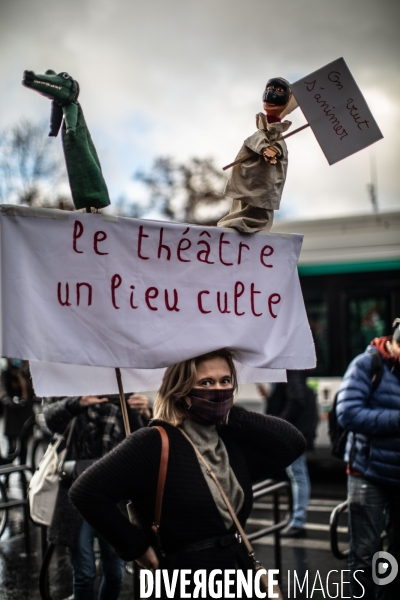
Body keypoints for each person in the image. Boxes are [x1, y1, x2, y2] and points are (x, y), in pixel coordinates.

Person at [69, 348, 306, 599]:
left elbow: (292, 443)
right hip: (180, 583)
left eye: (225, 381)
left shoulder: (228, 440)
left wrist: (231, 412)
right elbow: (86, 492)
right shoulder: (154, 442)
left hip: (235, 578)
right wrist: (135, 547)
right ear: (182, 391)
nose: (218, 389)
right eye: (206, 382)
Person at [43, 392, 152, 600]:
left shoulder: (125, 396)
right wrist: (78, 402)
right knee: (84, 573)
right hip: (77, 497)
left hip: (115, 499)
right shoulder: (74, 391)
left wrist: (147, 414)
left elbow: (147, 442)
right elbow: (49, 419)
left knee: (115, 573)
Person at [336, 319, 400, 600]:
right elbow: (348, 413)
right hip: (367, 472)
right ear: (394, 344)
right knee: (364, 554)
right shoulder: (367, 364)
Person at [217, 78, 297, 234]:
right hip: (248, 176)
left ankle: (253, 224)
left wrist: (273, 150)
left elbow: (278, 146)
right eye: (269, 88)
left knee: (260, 203)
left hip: (263, 179)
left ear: (288, 99)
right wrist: (264, 148)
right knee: (242, 199)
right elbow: (257, 140)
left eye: (279, 90)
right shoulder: (261, 133)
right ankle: (237, 221)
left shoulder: (275, 136)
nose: (271, 94)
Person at [258, 370, 318, 538]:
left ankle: (298, 521)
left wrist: (278, 424)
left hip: (294, 432)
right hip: (296, 431)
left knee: (298, 474)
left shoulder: (290, 370)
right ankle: (294, 518)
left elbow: (297, 401)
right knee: (296, 474)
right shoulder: (289, 369)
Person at [0, 358, 35, 467]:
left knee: (24, 446)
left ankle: (22, 470)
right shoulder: (6, 373)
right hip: (12, 413)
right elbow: (2, 388)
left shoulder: (27, 372)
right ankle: (8, 471)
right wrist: (6, 399)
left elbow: (32, 389)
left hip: (25, 412)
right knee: (12, 446)